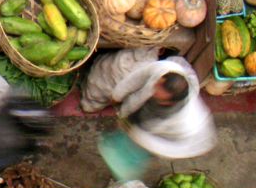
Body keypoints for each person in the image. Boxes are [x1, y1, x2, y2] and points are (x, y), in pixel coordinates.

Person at [83, 50, 216, 180]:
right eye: (156, 86)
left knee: (126, 160)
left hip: (154, 138)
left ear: (170, 102)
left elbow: (181, 148)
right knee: (117, 138)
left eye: (159, 95)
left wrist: (140, 137)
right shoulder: (164, 69)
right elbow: (136, 78)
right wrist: (117, 95)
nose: (153, 91)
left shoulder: (190, 122)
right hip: (138, 116)